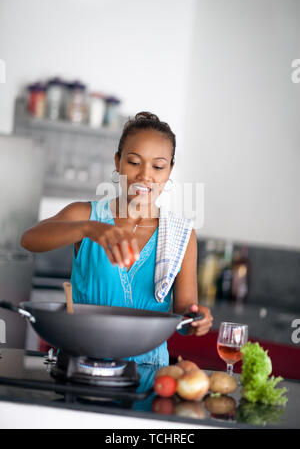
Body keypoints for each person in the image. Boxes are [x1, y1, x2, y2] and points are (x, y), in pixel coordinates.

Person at [21, 111, 213, 366]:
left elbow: (183, 315)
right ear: (118, 161)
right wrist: (88, 229)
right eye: (134, 162)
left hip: (149, 372)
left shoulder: (182, 235)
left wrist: (196, 320)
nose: (145, 175)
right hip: (80, 364)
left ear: (169, 171)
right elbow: (29, 239)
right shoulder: (86, 215)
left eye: (158, 166)